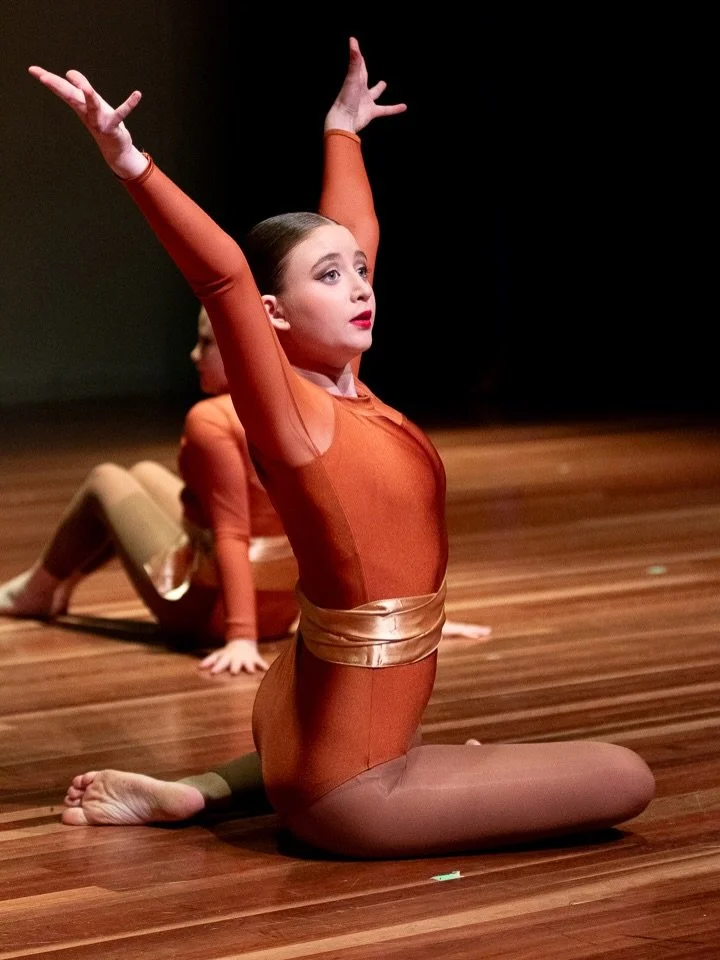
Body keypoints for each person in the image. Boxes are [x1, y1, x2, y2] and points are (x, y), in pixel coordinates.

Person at [29, 38, 654, 857]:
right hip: (351, 791)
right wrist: (131, 161)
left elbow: (348, 230)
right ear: (273, 315)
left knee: (473, 764)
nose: (360, 285)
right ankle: (303, 790)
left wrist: (344, 131)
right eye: (328, 278)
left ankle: (204, 791)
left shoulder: (352, 393)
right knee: (626, 775)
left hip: (305, 722)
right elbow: (222, 277)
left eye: (361, 272)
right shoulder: (293, 420)